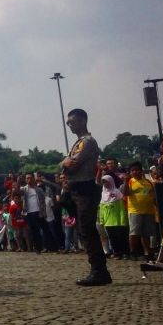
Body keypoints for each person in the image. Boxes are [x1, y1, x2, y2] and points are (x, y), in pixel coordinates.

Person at [60, 108, 109, 286]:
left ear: (82, 120)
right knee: (83, 229)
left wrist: (66, 164)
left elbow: (71, 165)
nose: (69, 124)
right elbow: (64, 164)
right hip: (77, 189)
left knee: (87, 230)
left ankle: (99, 271)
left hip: (85, 188)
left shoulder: (87, 142)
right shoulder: (79, 142)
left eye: (72, 121)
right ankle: (98, 269)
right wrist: (64, 164)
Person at [123, 162, 158, 262]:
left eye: (137, 170)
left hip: (148, 211)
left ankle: (147, 252)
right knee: (134, 233)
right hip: (135, 211)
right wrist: (125, 181)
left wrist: (156, 207)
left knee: (146, 233)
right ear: (130, 172)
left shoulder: (148, 182)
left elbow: (153, 196)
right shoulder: (130, 181)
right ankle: (133, 252)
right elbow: (125, 193)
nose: (135, 172)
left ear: (141, 171)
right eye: (133, 170)